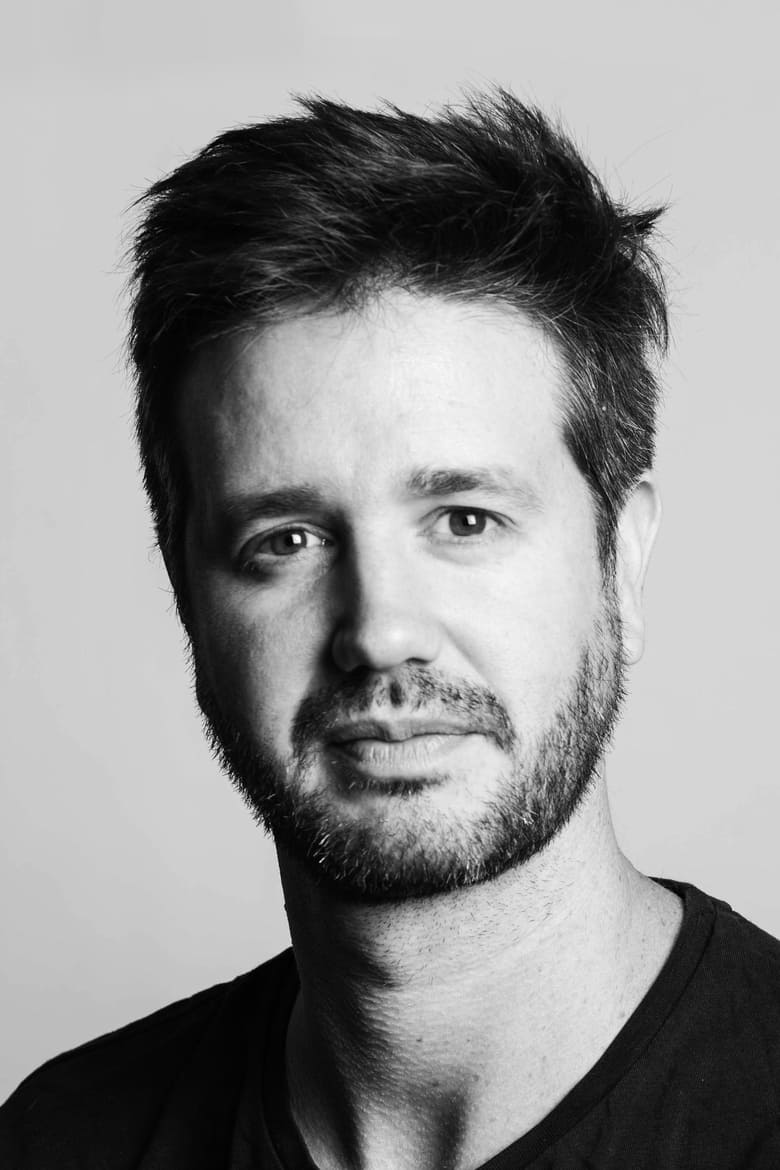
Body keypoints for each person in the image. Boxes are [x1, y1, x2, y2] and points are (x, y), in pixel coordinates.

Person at [2, 89, 779, 1170]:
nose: (380, 632)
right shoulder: (60, 1141)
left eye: (465, 520)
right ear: (186, 591)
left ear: (620, 563)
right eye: (286, 540)